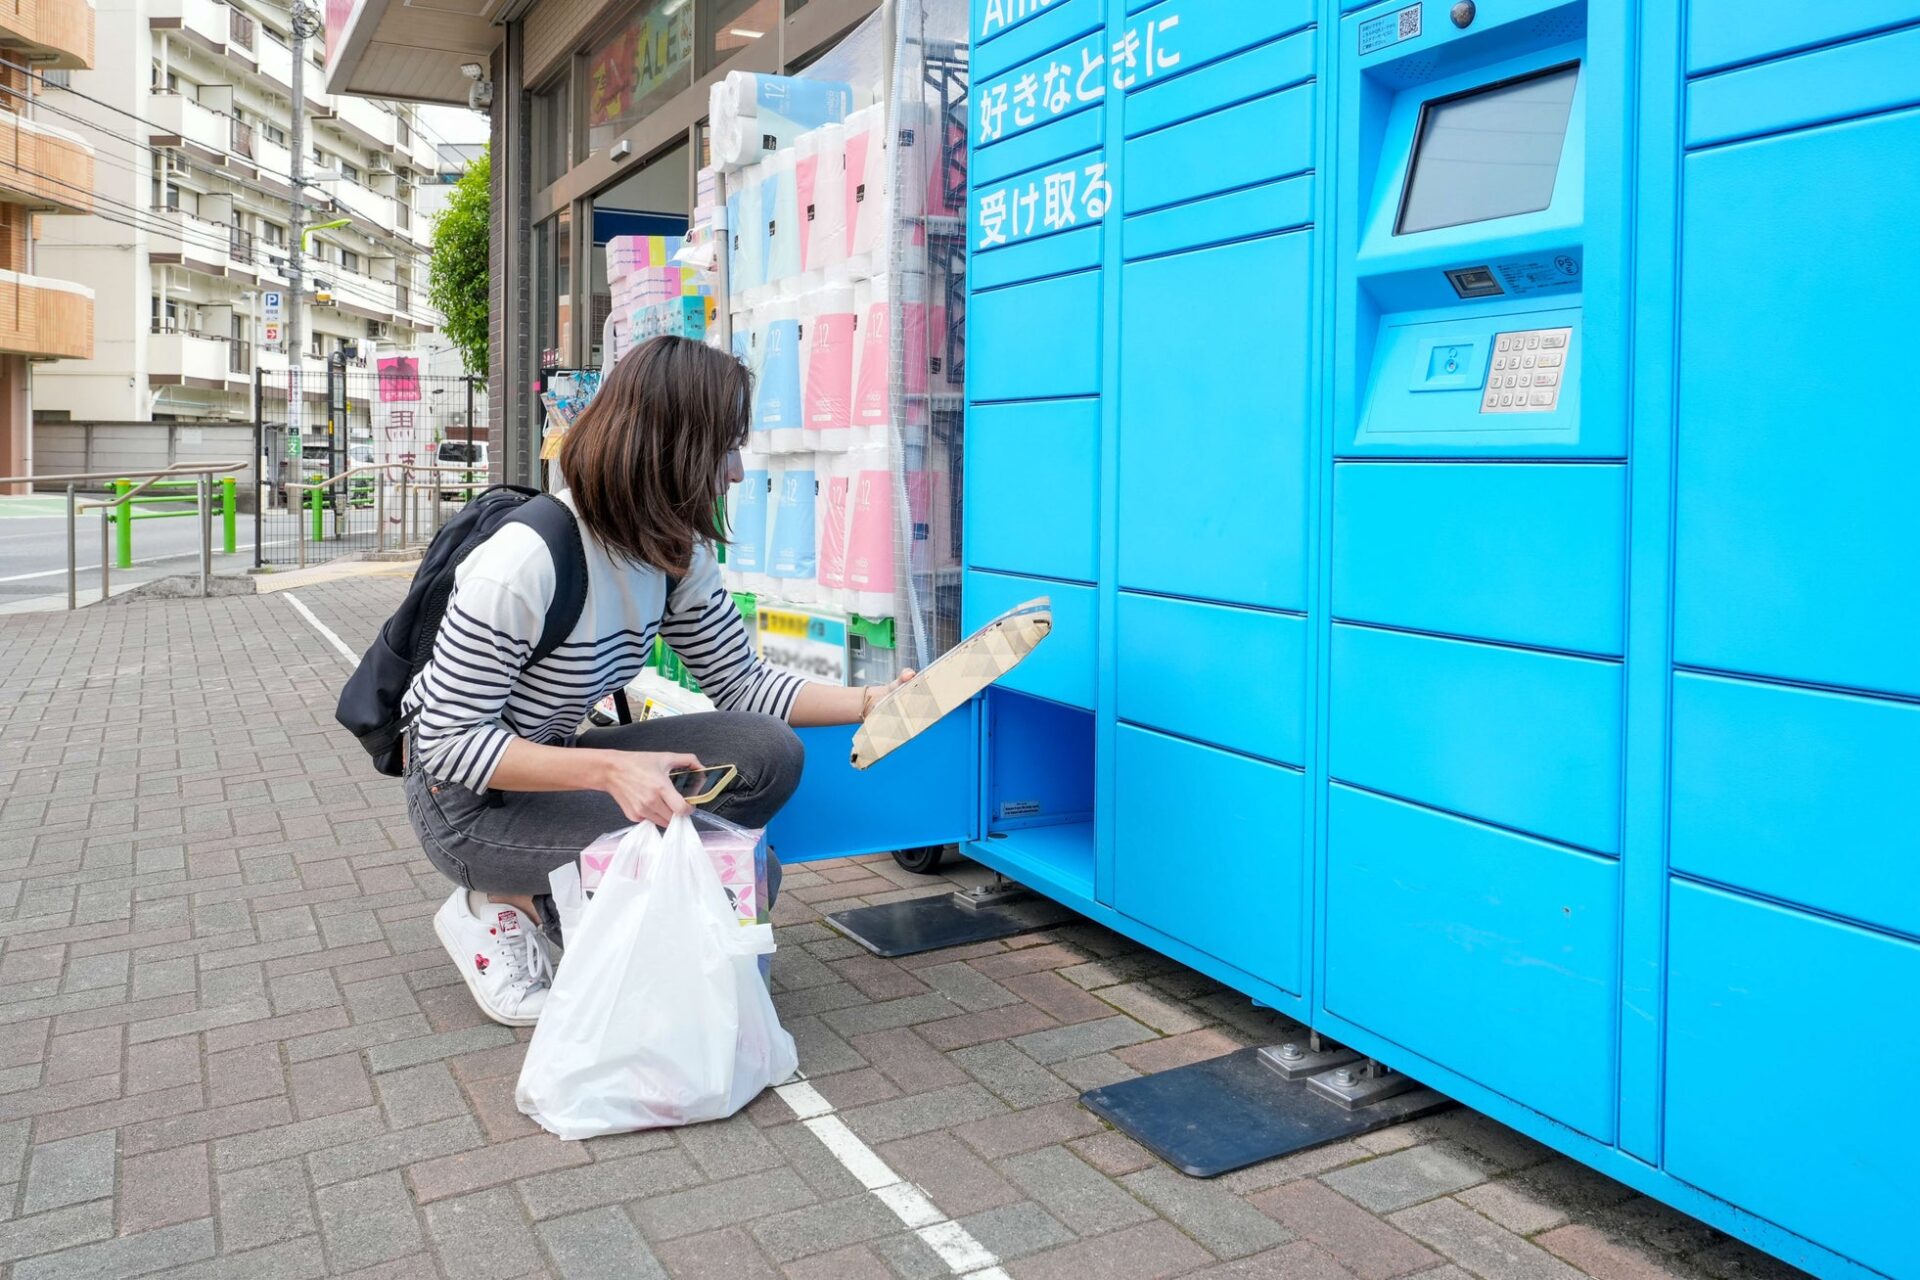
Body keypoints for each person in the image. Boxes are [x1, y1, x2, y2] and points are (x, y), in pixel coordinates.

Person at [402, 336, 909, 1026]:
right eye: (724, 448)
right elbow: (448, 743)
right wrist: (615, 771)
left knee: (770, 753)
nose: (733, 473)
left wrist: (870, 702)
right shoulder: (525, 560)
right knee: (721, 872)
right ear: (668, 447)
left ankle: (588, 899)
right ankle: (499, 902)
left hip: (552, 763)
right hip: (465, 804)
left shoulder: (673, 554)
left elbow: (744, 686)